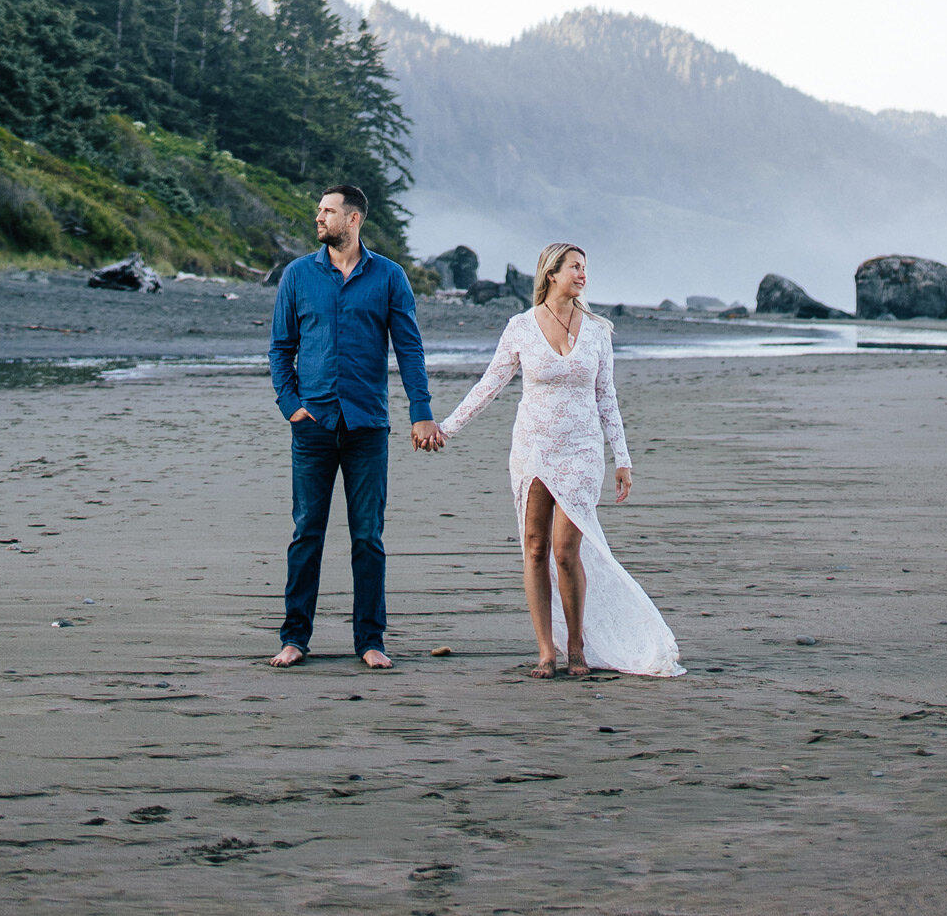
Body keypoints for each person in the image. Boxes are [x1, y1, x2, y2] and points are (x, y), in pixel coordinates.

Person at [436, 240, 682, 678]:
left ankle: (576, 646)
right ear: (552, 274)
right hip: (533, 448)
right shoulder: (521, 327)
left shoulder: (598, 330)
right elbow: (489, 385)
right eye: (575, 267)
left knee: (567, 551)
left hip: (582, 451)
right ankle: (546, 650)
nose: (582, 275)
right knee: (535, 547)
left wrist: (622, 458)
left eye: (585, 267)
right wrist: (446, 427)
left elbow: (607, 398)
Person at [268, 183, 442, 668]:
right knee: (307, 533)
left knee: (368, 537)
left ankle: (370, 641)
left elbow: (409, 349)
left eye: (328, 211)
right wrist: (291, 406)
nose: (319, 218)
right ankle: (294, 638)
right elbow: (281, 348)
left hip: (367, 425)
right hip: (313, 425)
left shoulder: (389, 276)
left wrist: (420, 410)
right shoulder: (299, 275)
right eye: (319, 211)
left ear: (354, 219)